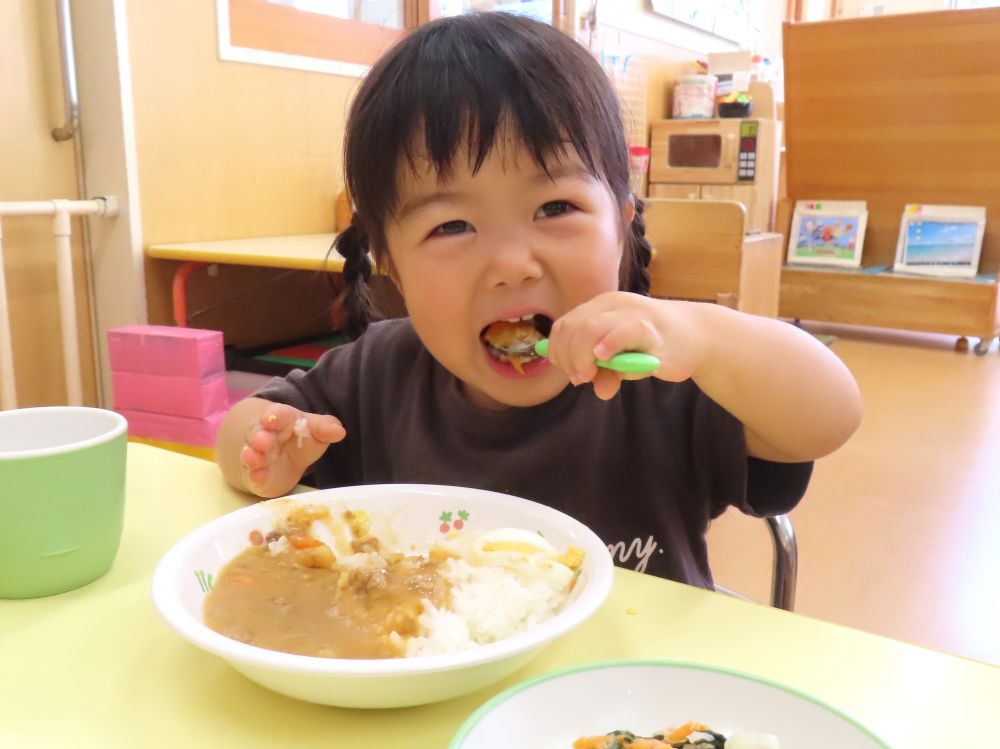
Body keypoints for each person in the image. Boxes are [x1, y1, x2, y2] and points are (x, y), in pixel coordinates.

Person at [216, 13, 862, 587]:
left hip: (627, 695)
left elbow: (829, 416)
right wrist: (268, 451)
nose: (512, 265)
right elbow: (244, 426)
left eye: (556, 207)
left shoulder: (665, 367)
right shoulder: (379, 373)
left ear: (622, 222)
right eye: (451, 226)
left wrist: (708, 335)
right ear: (391, 263)